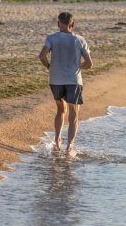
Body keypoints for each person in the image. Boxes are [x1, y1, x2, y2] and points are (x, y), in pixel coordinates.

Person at [39, 12, 93, 156]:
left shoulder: (51, 38)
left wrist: (49, 66)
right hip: (73, 81)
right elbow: (89, 64)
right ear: (72, 24)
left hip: (56, 80)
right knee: (73, 114)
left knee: (60, 110)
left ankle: (57, 140)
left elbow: (42, 55)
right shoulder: (80, 40)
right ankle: (69, 147)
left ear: (58, 24)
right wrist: (77, 66)